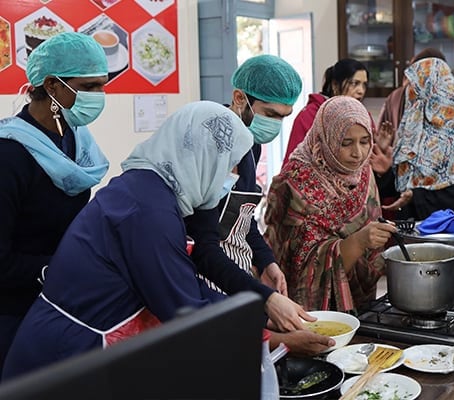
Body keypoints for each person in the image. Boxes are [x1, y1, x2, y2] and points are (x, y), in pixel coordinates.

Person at [1, 101, 315, 380]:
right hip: (65, 360)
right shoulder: (147, 212)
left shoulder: (153, 191)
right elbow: (185, 311)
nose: (230, 177)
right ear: (201, 157)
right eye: (227, 166)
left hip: (82, 350)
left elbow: (185, 282)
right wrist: (271, 335)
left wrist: (261, 310)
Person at [184, 55, 334, 355]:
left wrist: (267, 261)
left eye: (283, 116)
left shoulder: (251, 145)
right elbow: (202, 247)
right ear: (240, 98)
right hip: (201, 277)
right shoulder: (206, 144)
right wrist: (264, 297)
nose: (276, 124)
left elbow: (244, 217)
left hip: (236, 272)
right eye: (270, 114)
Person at [0, 32, 110, 379]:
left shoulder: (75, 140)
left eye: (103, 86)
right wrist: (62, 268)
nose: (99, 97)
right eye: (89, 87)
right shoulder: (10, 155)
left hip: (59, 304)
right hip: (12, 315)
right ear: (51, 86)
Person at [264, 96, 397, 312]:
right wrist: (357, 242)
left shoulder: (363, 171)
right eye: (345, 143)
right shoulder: (295, 181)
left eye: (365, 141)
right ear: (325, 138)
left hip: (364, 302)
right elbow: (297, 266)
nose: (358, 153)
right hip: (308, 314)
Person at [381, 57, 454, 220]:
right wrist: (385, 172)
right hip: (417, 226)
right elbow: (403, 181)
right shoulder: (415, 126)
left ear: (434, 87)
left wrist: (418, 197)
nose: (410, 93)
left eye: (416, 87)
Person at [282, 58, 370, 164]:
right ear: (335, 85)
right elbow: (293, 164)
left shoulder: (363, 116)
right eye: (354, 83)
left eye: (364, 85)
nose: (361, 91)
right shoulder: (310, 115)